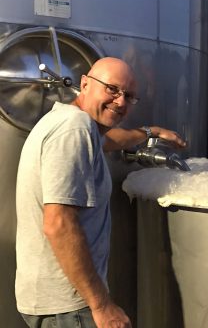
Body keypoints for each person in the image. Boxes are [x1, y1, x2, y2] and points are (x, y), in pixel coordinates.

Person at [15, 57, 186, 328]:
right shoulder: (74, 129)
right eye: (112, 89)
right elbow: (58, 223)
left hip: (54, 299)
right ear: (85, 84)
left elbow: (109, 140)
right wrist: (101, 304)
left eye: (129, 96)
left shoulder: (70, 123)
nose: (120, 102)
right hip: (69, 306)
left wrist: (151, 132)